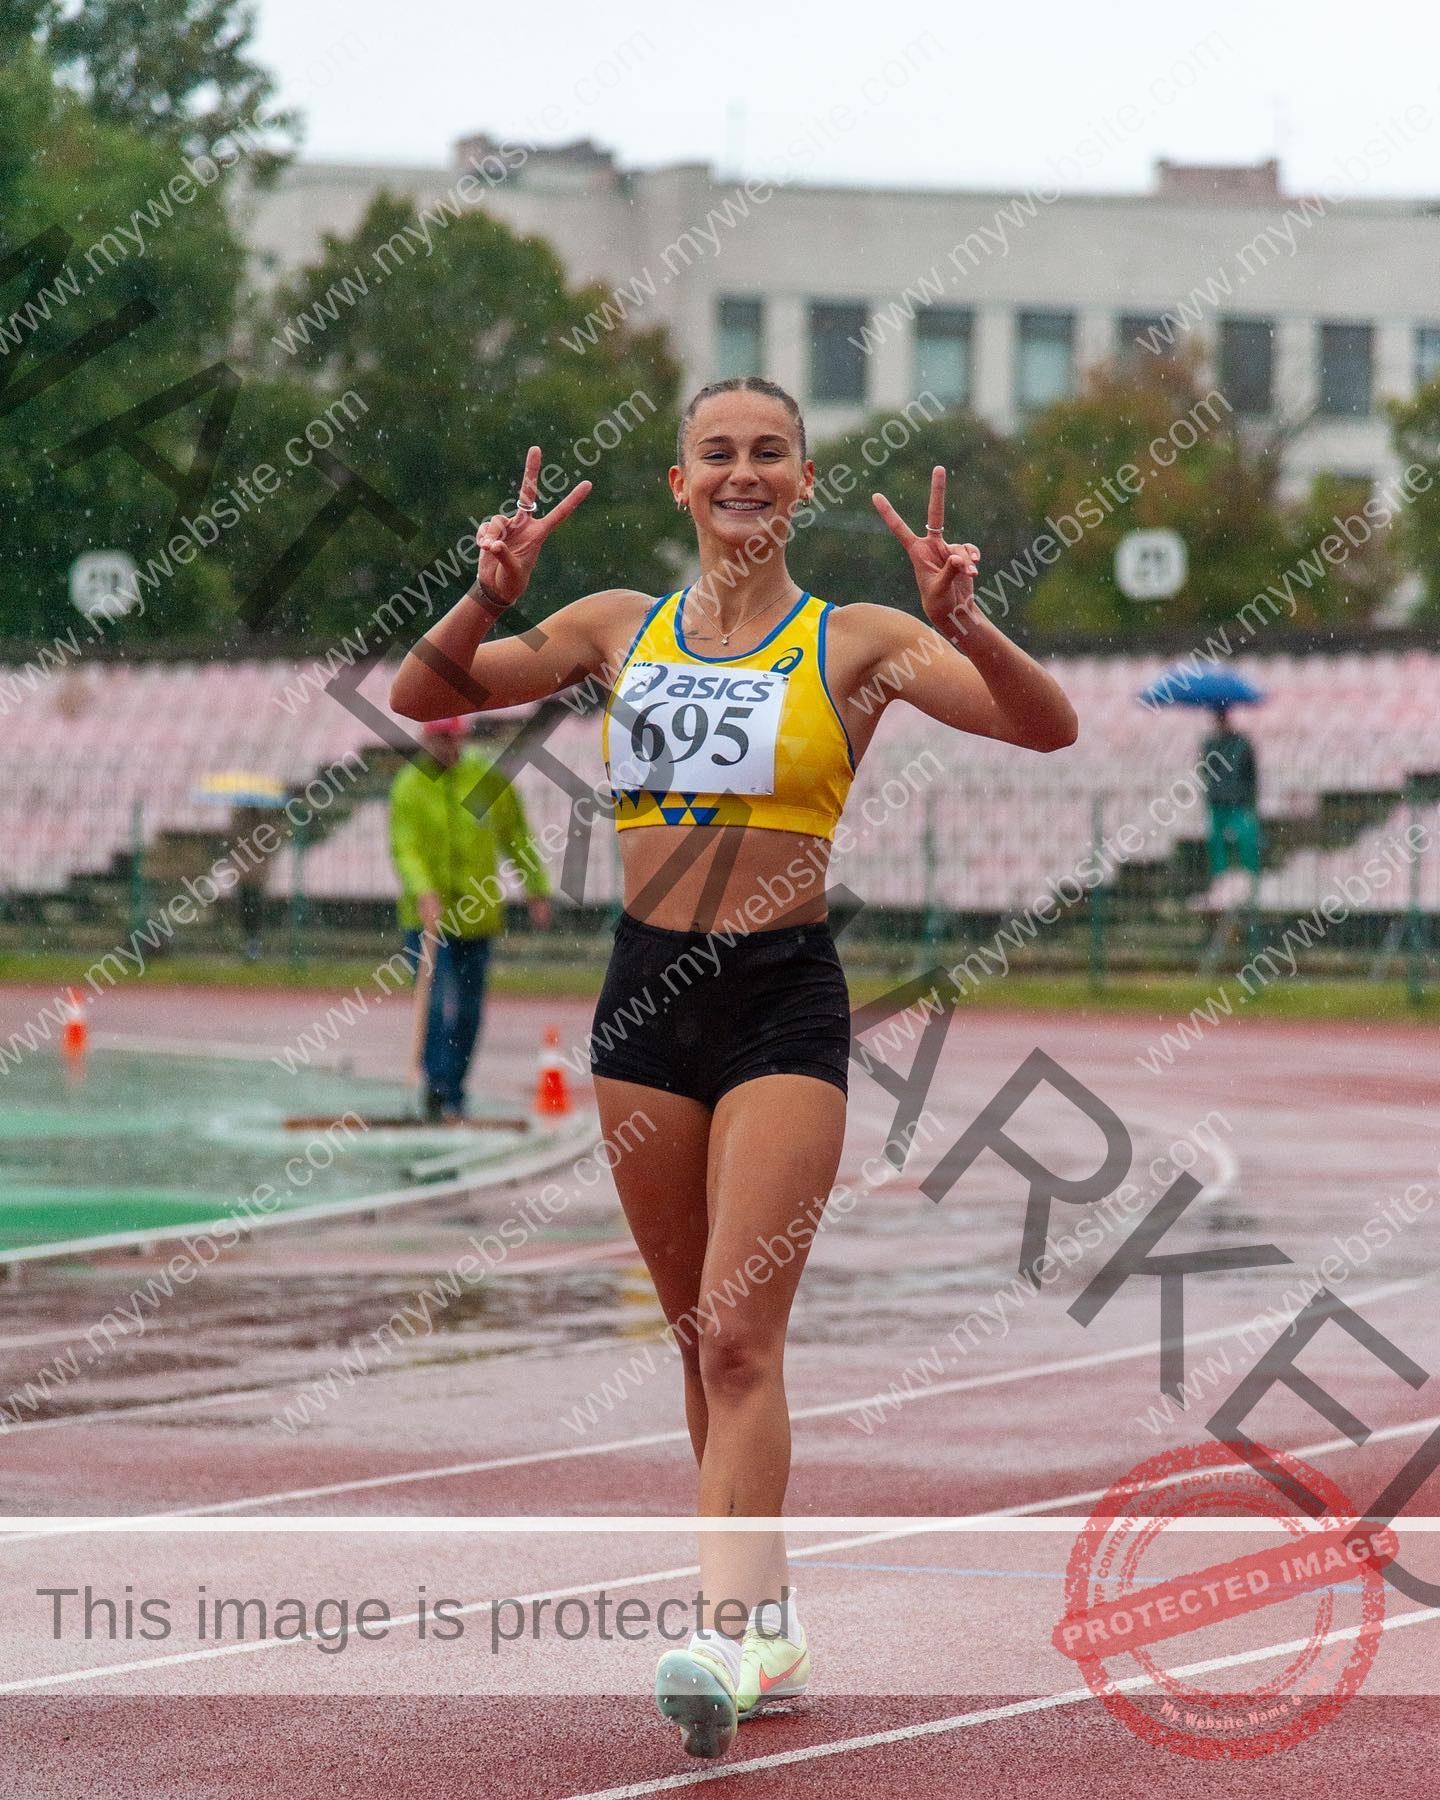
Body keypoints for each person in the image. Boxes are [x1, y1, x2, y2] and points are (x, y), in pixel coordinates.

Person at [390, 376, 1077, 1757]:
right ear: (682, 484)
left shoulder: (859, 638)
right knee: (700, 1340)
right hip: (646, 999)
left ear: (805, 480)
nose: (745, 473)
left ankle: (720, 1630)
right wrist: (488, 592)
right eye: (720, 454)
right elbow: (423, 692)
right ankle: (762, 1614)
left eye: (770, 453)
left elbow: (1044, 726)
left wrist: (967, 623)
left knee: (746, 1333)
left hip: (781, 1003)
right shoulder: (610, 628)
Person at [388, 715, 553, 1121]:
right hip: (427, 920)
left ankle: (455, 1091)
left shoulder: (486, 778)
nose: (447, 746)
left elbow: (515, 834)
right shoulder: (409, 788)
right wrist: (423, 888)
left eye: (452, 738)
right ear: (426, 737)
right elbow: (404, 847)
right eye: (439, 738)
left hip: (477, 917)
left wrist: (536, 886)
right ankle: (436, 1086)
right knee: (436, 1003)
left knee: (468, 1010)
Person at [1200, 704, 1261, 885]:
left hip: (1236, 799)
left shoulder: (1240, 744)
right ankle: (1221, 878)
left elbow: (1250, 773)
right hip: (1220, 799)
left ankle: (1250, 878)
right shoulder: (1213, 744)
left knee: (1246, 841)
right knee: (1218, 842)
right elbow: (1206, 770)